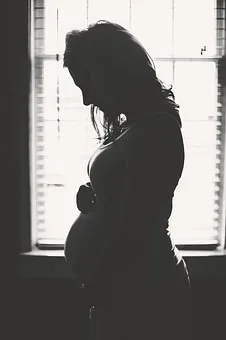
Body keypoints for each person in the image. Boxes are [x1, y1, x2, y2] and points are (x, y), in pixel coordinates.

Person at [63, 20, 192, 340]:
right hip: (125, 287)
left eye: (86, 84)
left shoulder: (158, 129)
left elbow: (136, 228)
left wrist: (102, 284)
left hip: (145, 291)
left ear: (112, 71)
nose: (85, 99)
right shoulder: (134, 124)